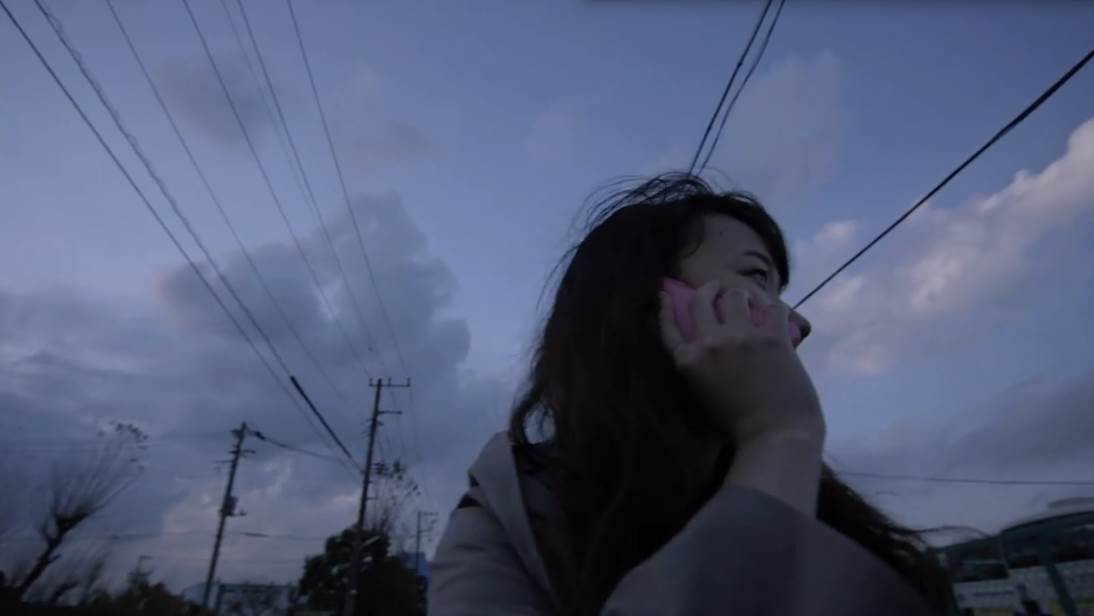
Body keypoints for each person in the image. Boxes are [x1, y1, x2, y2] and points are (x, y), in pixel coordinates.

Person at [429, 174, 953, 615]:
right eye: (756, 278)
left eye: (778, 291)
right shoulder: (506, 518)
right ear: (647, 305)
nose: (796, 322)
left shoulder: (818, 501)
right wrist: (778, 437)